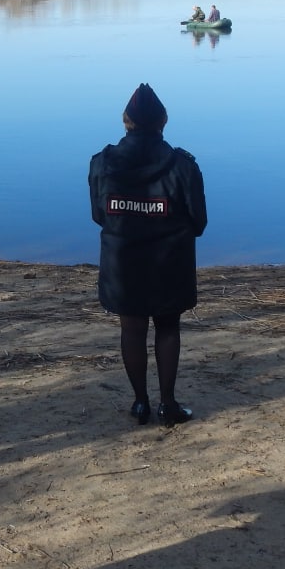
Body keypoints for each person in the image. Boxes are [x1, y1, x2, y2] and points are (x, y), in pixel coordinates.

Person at [89, 83, 207, 427]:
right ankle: (167, 404)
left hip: (122, 262)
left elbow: (99, 214)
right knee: (168, 327)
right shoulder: (183, 166)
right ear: (163, 122)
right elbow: (199, 221)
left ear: (126, 122)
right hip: (169, 263)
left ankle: (140, 403)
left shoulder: (102, 163)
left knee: (132, 328)